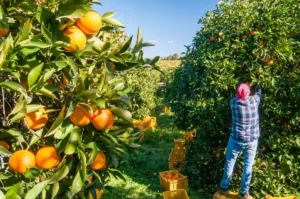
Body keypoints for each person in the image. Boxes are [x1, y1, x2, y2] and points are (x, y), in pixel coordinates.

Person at [217, 83, 262, 199]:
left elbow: (238, 97)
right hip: (251, 140)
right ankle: (243, 193)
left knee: (230, 162)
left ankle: (224, 187)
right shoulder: (254, 102)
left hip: (236, 139)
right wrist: (257, 85)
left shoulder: (233, 103)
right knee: (248, 166)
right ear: (249, 93)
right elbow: (258, 94)